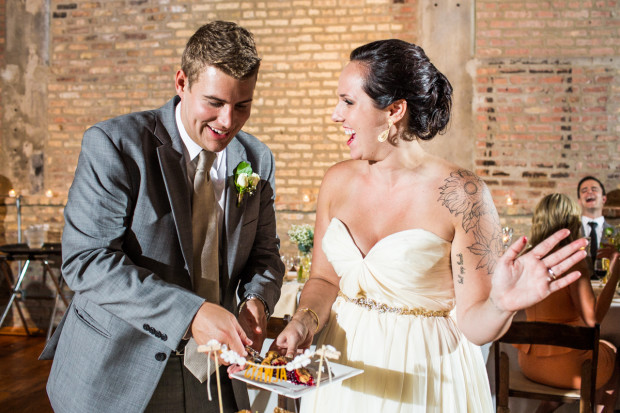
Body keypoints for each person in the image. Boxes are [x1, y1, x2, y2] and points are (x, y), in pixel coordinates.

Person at [272, 39, 588, 412]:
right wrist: (304, 320)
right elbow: (324, 280)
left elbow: (473, 323)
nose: (335, 114)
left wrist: (501, 304)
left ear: (394, 110)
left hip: (427, 377)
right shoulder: (336, 181)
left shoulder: (462, 193)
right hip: (341, 368)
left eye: (348, 101)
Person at [40, 21, 285, 413]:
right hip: (118, 369)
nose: (228, 121)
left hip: (215, 375)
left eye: (242, 105)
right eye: (214, 102)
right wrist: (191, 314)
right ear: (181, 82)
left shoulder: (257, 159)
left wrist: (256, 299)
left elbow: (265, 255)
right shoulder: (116, 145)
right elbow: (86, 261)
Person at [516, 193, 619, 413]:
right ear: (570, 223)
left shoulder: (526, 259)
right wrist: (615, 274)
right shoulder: (571, 261)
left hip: (529, 364)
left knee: (587, 353)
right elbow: (593, 321)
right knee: (614, 356)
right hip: (567, 367)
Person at [577, 176, 616, 271]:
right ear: (579, 201)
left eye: (594, 189)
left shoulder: (617, 231)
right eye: (584, 190)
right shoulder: (571, 230)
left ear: (604, 199)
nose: (589, 192)